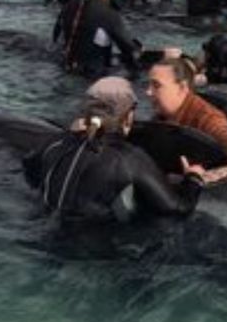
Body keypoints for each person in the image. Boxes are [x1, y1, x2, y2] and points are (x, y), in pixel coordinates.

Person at [23, 76, 208, 222]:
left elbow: (30, 170)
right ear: (127, 117)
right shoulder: (130, 159)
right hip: (95, 252)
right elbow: (178, 209)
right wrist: (194, 179)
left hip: (46, 234)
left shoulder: (55, 143)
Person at [146, 55, 227, 175]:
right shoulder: (161, 117)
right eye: (149, 85)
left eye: (156, 85)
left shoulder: (210, 121)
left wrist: (205, 177)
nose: (148, 92)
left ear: (182, 88)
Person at [53, 0, 141, 79]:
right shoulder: (108, 14)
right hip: (93, 80)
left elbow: (56, 37)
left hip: (65, 72)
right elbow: (133, 53)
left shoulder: (69, 5)